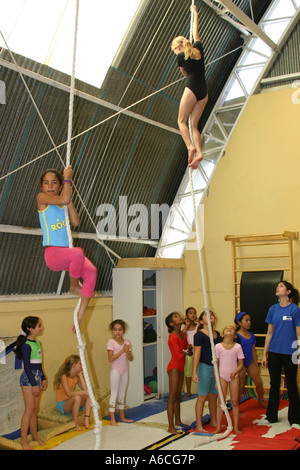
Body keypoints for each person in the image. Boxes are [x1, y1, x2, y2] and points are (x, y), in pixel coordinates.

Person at [37, 166, 97, 334]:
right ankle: (73, 286)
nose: (50, 186)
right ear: (42, 187)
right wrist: (67, 178)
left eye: (54, 183)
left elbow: (76, 222)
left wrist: (70, 203)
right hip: (54, 254)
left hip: (68, 256)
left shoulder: (63, 202)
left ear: (59, 186)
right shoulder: (42, 199)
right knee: (78, 252)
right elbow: (63, 199)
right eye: (46, 183)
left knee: (92, 271)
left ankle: (80, 316)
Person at [171, 4, 208, 170]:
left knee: (181, 121)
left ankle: (190, 147)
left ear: (178, 48)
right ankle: (199, 152)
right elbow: (195, 32)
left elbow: (185, 74)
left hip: (192, 88)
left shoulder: (180, 57)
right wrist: (195, 13)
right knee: (194, 125)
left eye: (175, 50)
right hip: (203, 92)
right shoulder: (198, 49)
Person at [262, 281, 300, 425]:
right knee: (274, 385)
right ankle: (271, 416)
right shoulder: (272, 309)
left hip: (290, 353)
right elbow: (269, 333)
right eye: (277, 286)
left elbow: (298, 333)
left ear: (288, 292)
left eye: (281, 286)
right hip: (274, 353)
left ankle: (295, 418)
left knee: (291, 386)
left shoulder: (295, 310)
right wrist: (265, 354)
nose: (278, 288)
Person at [14, 316, 46, 450]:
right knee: (29, 410)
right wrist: (33, 384)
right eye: (39, 326)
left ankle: (34, 436)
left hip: (37, 377)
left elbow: (39, 364)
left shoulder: (37, 343)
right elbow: (27, 366)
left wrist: (43, 378)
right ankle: (23, 441)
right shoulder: (26, 345)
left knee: (34, 410)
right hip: (28, 379)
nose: (42, 328)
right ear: (31, 329)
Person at [192, 310, 220, 432]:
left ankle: (214, 421)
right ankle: (199, 425)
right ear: (201, 321)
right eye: (206, 315)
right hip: (204, 367)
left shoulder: (217, 334)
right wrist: (194, 372)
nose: (210, 316)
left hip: (216, 369)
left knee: (214, 396)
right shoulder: (199, 335)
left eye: (212, 315)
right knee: (202, 397)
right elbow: (197, 354)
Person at [165, 312, 192, 434]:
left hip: (181, 367)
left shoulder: (182, 334)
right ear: (171, 324)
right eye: (176, 317)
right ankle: (170, 427)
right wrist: (186, 351)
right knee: (172, 396)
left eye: (179, 315)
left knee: (178, 396)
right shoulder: (173, 336)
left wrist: (190, 349)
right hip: (174, 368)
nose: (180, 317)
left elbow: (187, 352)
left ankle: (178, 421)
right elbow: (179, 355)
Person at [215, 325, 244, 434]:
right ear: (222, 335)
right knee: (220, 402)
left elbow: (241, 364)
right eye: (226, 328)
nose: (229, 329)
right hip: (222, 376)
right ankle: (218, 427)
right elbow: (215, 364)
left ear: (235, 335)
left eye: (231, 329)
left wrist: (235, 372)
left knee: (235, 401)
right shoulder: (218, 346)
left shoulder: (237, 347)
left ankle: (235, 427)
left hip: (234, 377)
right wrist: (217, 380)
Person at [235, 312, 267, 408]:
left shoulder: (251, 335)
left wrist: (256, 365)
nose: (249, 322)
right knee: (240, 387)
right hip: (240, 363)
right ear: (239, 323)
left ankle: (260, 401)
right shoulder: (236, 336)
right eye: (246, 320)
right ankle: (236, 406)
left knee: (258, 382)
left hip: (250, 362)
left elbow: (253, 351)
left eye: (249, 321)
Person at [54, 355, 92, 431]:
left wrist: (80, 375)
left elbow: (85, 389)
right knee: (77, 397)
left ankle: (86, 419)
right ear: (74, 365)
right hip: (63, 404)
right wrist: (83, 392)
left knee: (90, 394)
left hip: (71, 401)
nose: (82, 365)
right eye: (80, 364)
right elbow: (69, 393)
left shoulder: (76, 376)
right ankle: (76, 424)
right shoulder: (64, 376)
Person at [107, 319, 134, 426]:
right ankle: (112, 419)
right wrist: (122, 351)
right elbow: (111, 359)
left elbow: (131, 358)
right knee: (114, 393)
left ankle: (122, 417)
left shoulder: (126, 342)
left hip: (124, 370)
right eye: (115, 330)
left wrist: (127, 351)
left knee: (122, 394)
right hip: (115, 371)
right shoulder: (111, 342)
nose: (117, 332)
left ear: (123, 331)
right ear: (112, 331)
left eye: (120, 330)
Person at [182, 306, 198, 397]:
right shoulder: (184, 326)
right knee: (188, 373)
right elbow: (181, 335)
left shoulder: (198, 326)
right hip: (188, 352)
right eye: (190, 313)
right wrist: (187, 325)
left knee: (199, 371)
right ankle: (188, 391)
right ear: (186, 315)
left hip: (197, 352)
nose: (193, 314)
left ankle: (202, 390)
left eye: (194, 313)